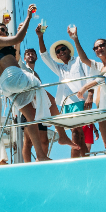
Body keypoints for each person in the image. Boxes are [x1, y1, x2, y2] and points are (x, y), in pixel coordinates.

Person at [0, 5, 78, 161]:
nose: (3, 32)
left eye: (5, 31)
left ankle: (41, 155)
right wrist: (28, 17)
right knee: (51, 100)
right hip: (15, 77)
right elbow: (17, 38)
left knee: (32, 118)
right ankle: (62, 135)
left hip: (7, 85)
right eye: (0, 30)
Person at [37, 24, 97, 157]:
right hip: (66, 104)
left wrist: (90, 95)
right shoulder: (59, 69)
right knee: (77, 134)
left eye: (63, 49)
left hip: (81, 101)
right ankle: (85, 161)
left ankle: (75, 162)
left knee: (76, 132)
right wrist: (40, 37)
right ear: (57, 56)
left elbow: (90, 76)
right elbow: (44, 56)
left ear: (69, 50)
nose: (61, 52)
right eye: (58, 51)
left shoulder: (79, 61)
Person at [17, 47, 51, 161]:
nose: (30, 55)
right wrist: (18, 38)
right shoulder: (22, 68)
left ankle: (40, 162)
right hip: (27, 108)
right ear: (25, 58)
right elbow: (16, 56)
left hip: (39, 109)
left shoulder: (36, 74)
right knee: (28, 141)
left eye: (32, 54)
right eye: (28, 54)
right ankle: (27, 166)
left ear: (36, 57)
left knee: (45, 141)